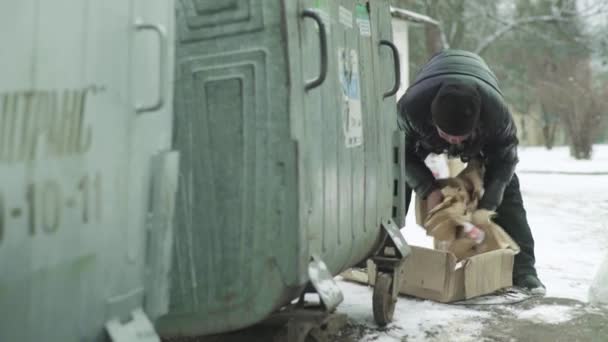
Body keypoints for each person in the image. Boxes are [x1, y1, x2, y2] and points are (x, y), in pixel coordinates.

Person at [397, 49, 545, 294]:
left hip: (480, 128)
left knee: (507, 187)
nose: (454, 143)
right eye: (447, 135)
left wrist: (487, 206)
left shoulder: (496, 115)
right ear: (433, 122)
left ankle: (525, 271)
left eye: (460, 136)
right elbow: (400, 156)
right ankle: (382, 252)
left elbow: (505, 162)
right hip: (425, 131)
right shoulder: (410, 109)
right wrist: (429, 189)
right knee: (394, 179)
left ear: (476, 124)